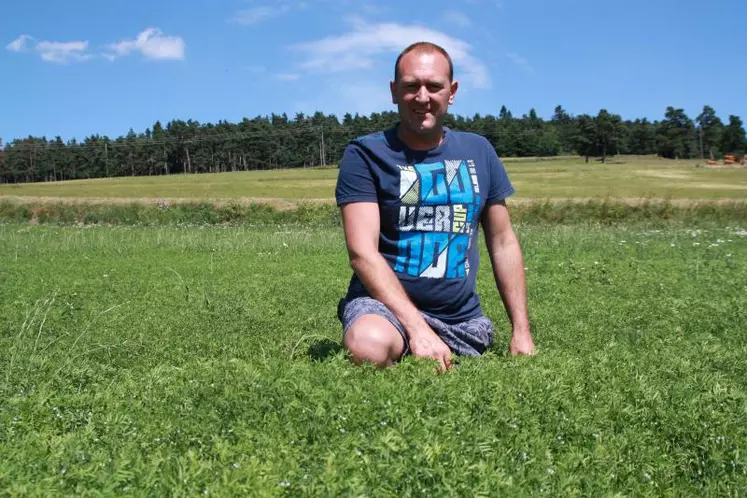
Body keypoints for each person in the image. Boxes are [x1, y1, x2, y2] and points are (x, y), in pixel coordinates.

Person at [335, 41, 536, 371]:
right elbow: (362, 254)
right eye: (411, 86)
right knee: (367, 345)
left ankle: (427, 347)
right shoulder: (365, 154)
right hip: (384, 309)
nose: (423, 97)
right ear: (394, 91)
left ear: (452, 91)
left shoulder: (479, 151)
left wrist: (521, 332)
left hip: (460, 320)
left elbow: (503, 242)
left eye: (434, 86)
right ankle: (410, 342)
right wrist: (418, 329)